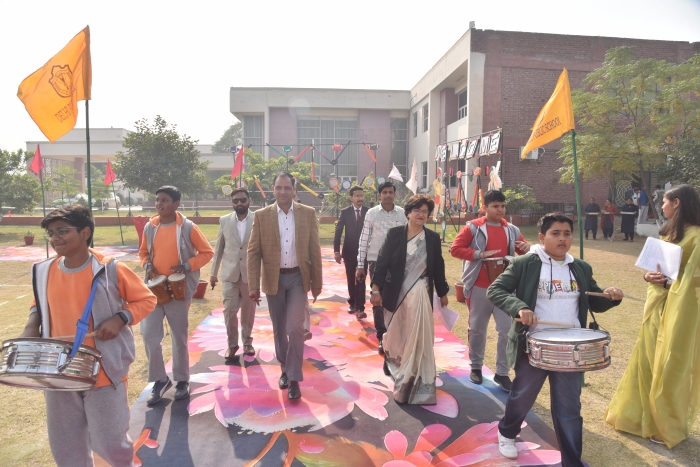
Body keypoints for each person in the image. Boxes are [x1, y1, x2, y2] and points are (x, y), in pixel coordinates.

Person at [19, 205, 157, 467]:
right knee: (65, 445)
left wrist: (120, 318)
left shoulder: (110, 269)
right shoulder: (43, 270)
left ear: (85, 233)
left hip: (103, 371)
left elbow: (146, 299)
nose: (55, 238)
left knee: (109, 442)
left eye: (62, 231)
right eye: (51, 233)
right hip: (58, 370)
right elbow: (39, 303)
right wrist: (31, 326)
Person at [487, 212, 624, 465]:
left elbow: (593, 300)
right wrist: (519, 307)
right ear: (542, 237)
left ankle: (571, 461)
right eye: (556, 233)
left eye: (567, 234)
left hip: (571, 349)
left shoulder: (580, 267)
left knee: (569, 409)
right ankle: (507, 432)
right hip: (533, 344)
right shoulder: (525, 263)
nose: (562, 239)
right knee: (522, 396)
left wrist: (610, 296)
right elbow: (496, 290)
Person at [606, 185, 700, 449]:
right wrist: (649, 276)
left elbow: (695, 279)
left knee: (670, 365)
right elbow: (656, 269)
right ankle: (637, 417)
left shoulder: (696, 236)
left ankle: (665, 424)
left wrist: (669, 284)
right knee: (647, 359)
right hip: (657, 308)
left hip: (680, 313)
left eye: (664, 202)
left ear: (677, 202)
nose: (661, 206)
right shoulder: (671, 233)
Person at [248, 172, 323, 400]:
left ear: (294, 189)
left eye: (287, 188)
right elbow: (253, 252)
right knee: (280, 328)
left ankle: (294, 378)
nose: (283, 192)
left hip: (298, 278)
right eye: (278, 187)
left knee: (295, 327)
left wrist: (317, 283)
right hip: (274, 280)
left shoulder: (307, 213)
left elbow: (314, 249)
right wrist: (253, 285)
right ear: (273, 189)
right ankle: (284, 367)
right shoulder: (262, 216)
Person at [370, 195, 449, 405]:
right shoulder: (395, 234)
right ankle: (394, 360)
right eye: (417, 210)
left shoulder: (432, 238)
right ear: (408, 213)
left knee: (417, 335)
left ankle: (412, 379)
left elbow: (438, 266)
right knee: (396, 332)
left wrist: (443, 292)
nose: (421, 214)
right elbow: (382, 262)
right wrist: (375, 289)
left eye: (425, 211)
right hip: (396, 292)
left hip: (420, 293)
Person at [139, 185, 214, 405]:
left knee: (178, 337)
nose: (159, 204)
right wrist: (147, 264)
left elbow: (207, 252)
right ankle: (160, 380)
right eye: (157, 200)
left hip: (179, 291)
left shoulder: (188, 227)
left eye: (164, 200)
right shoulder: (150, 227)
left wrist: (187, 265)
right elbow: (143, 252)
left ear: (176, 203)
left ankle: (182, 380)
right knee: (148, 334)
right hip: (155, 289)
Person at [450, 189, 530, 392]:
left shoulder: (511, 229)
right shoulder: (473, 227)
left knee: (506, 330)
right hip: (478, 286)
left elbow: (522, 250)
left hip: (505, 289)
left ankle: (502, 373)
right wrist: (480, 254)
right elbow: (455, 249)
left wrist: (525, 248)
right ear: (485, 207)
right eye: (495, 206)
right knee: (477, 329)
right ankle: (476, 367)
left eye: (502, 206)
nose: (500, 210)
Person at [356, 181, 407, 352]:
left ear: (395, 194)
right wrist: (360, 265)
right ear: (379, 195)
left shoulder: (403, 214)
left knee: (398, 298)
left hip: (398, 263)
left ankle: (395, 335)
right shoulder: (371, 213)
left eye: (390, 192)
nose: (387, 195)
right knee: (377, 298)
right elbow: (364, 239)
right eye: (384, 192)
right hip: (376, 262)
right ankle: (381, 336)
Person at [210, 187, 256, 363]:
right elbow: (219, 248)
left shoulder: (257, 219)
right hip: (229, 274)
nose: (239, 203)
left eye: (243, 199)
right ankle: (232, 344)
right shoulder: (224, 221)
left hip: (250, 275)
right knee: (229, 311)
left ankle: (247, 342)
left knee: (248, 312)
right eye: (236, 200)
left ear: (249, 200)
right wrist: (213, 273)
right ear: (232, 202)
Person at [333, 185, 369, 315]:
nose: (360, 198)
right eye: (357, 196)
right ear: (351, 198)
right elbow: (338, 232)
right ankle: (352, 303)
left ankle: (360, 307)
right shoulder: (345, 212)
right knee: (350, 278)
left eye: (361, 195)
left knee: (361, 278)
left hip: (364, 252)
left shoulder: (369, 212)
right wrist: (336, 251)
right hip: (349, 251)